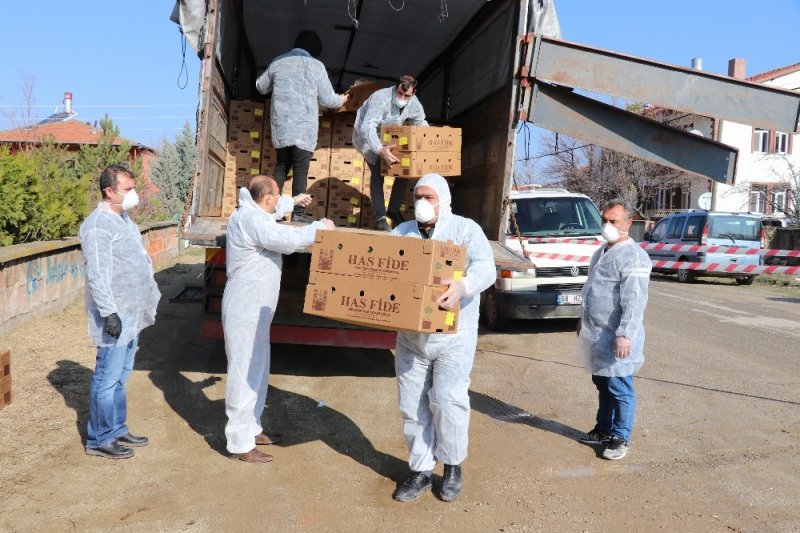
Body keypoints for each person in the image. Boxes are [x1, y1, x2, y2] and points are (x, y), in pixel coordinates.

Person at [389, 173, 495, 502]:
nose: (421, 203)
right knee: (411, 405)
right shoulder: (402, 233)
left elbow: (487, 268)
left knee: (448, 402)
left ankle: (451, 466)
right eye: (417, 196)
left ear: (444, 200)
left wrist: (463, 285)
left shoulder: (465, 230)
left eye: (429, 197)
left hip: (454, 336)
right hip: (411, 338)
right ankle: (421, 470)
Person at [223, 175, 335, 463]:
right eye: (277, 197)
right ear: (267, 199)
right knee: (243, 371)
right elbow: (286, 239)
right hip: (244, 306)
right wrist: (319, 228)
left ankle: (253, 428)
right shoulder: (252, 220)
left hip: (256, 308)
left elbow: (274, 209)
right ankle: (239, 444)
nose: (278, 202)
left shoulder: (255, 211)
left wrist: (293, 201)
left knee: (258, 369)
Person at [79, 165, 161, 459]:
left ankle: (116, 428)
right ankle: (99, 438)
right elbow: (97, 274)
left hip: (132, 310)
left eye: (132, 188)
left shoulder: (123, 218)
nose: (133, 195)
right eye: (127, 189)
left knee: (122, 375)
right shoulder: (98, 225)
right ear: (109, 192)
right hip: (114, 313)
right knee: (107, 376)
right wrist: (109, 312)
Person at [575, 199, 651, 461]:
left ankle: (620, 437)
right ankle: (604, 429)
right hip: (597, 334)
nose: (607, 225)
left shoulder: (634, 257)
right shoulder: (602, 251)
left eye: (613, 221)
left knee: (619, 386)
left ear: (628, 223)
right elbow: (593, 290)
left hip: (617, 336)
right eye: (604, 220)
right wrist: (582, 321)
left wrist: (624, 334)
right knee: (603, 383)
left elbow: (635, 300)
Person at [256, 30, 348, 224]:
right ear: (314, 50)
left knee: (281, 167)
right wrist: (344, 99)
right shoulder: (317, 66)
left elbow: (261, 87)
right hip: (304, 129)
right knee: (300, 169)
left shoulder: (278, 61)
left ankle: (270, 211)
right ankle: (298, 213)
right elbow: (328, 99)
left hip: (281, 126)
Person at [353, 75, 428, 232]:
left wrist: (428, 142)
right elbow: (367, 127)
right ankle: (380, 217)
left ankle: (393, 210)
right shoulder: (381, 98)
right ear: (396, 87)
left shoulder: (414, 103)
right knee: (378, 173)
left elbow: (421, 123)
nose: (402, 98)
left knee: (404, 171)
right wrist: (380, 150)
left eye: (406, 96)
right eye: (400, 93)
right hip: (368, 137)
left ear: (413, 93)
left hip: (393, 137)